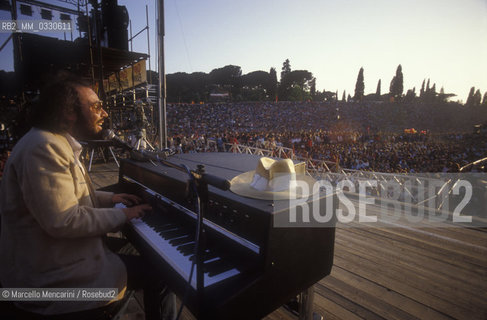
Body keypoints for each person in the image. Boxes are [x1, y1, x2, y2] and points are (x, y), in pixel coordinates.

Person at [0, 73, 175, 319]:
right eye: (96, 106)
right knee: (162, 274)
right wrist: (125, 215)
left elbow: (68, 198)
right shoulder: (44, 147)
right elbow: (64, 220)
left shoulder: (51, 141)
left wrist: (111, 199)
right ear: (68, 112)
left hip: (53, 258)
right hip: (53, 283)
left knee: (140, 250)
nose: (104, 113)